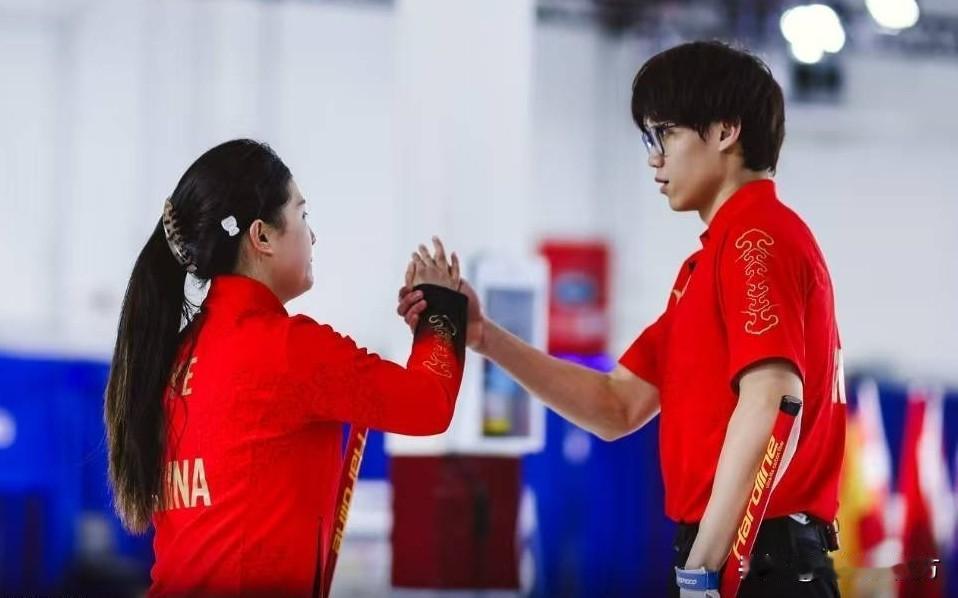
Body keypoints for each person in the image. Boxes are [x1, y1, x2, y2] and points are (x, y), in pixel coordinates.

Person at [397, 41, 845, 596]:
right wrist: (485, 337)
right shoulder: (705, 267)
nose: (654, 158)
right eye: (648, 139)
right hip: (737, 551)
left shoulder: (756, 237)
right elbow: (617, 405)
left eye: (665, 134)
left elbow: (774, 401)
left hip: (753, 554)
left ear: (726, 131)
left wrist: (706, 566)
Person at [104, 139, 468, 597]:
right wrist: (441, 313)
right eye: (302, 215)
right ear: (261, 237)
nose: (312, 236)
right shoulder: (287, 350)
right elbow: (428, 404)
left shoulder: (176, 354)